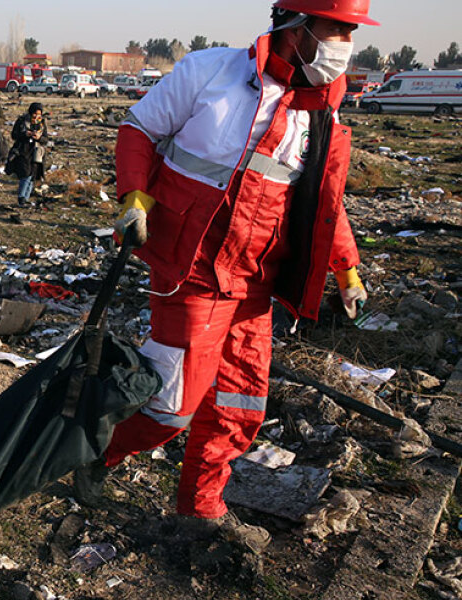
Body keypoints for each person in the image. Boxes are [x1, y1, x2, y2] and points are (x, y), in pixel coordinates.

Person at [74, 0, 377, 553]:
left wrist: (347, 268)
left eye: (351, 32)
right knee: (170, 406)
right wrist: (134, 195)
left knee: (239, 407)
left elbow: (322, 205)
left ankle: (200, 507)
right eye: (337, 28)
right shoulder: (210, 73)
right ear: (295, 24)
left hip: (254, 285)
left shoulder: (319, 115)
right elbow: (138, 128)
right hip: (191, 270)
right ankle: (94, 452)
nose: (345, 45)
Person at [7, 102, 48, 207]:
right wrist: (25, 134)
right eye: (35, 114)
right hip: (23, 150)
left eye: (39, 114)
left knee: (32, 175)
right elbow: (14, 135)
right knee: (25, 174)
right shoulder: (22, 121)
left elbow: (45, 139)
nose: (36, 116)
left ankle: (26, 198)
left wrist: (39, 138)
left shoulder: (42, 123)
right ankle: (21, 198)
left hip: (36, 152)